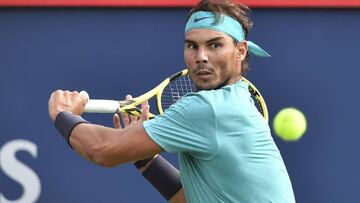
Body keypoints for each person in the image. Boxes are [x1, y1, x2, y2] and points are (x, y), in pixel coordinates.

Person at [48, 0, 296, 202]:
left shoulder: (208, 108)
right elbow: (191, 198)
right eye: (192, 46)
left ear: (240, 51)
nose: (201, 57)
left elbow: (102, 150)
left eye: (215, 45)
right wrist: (145, 159)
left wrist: (63, 114)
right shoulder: (237, 99)